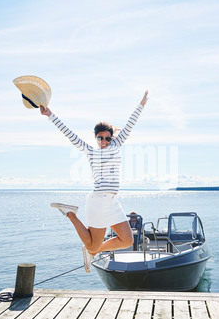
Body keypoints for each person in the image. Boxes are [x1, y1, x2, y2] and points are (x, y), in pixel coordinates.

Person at [40, 90, 149, 273]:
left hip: (113, 202)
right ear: (96, 138)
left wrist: (141, 105)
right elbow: (68, 133)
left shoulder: (116, 145)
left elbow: (130, 124)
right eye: (100, 138)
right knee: (92, 243)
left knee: (127, 240)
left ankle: (92, 251)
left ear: (111, 138)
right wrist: (49, 114)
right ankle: (70, 214)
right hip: (98, 201)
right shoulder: (90, 152)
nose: (104, 141)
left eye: (107, 137)